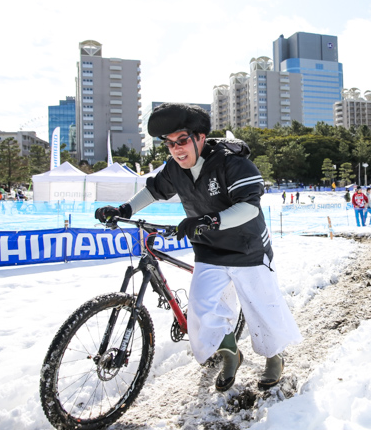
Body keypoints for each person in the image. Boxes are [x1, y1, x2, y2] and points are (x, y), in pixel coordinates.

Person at [94, 103, 301, 392]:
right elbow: (154, 190)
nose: (176, 149)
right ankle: (231, 355)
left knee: (262, 308)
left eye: (182, 140)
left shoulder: (232, 163)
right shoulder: (175, 169)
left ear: (200, 137)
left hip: (248, 250)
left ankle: (273, 358)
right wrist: (125, 208)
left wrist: (209, 220)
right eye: (169, 144)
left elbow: (249, 208)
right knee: (203, 313)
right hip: (209, 251)